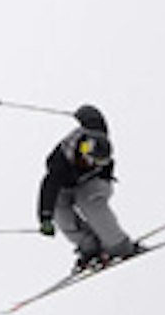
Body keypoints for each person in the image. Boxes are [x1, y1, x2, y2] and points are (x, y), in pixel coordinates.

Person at [37, 104, 134, 272]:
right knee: (61, 214)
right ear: (85, 152)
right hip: (64, 186)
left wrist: (84, 113)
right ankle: (90, 247)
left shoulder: (99, 136)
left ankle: (117, 245)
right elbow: (49, 186)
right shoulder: (62, 162)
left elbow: (94, 118)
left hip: (93, 182)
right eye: (94, 161)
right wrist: (45, 217)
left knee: (89, 202)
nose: (96, 164)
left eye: (102, 162)